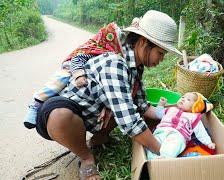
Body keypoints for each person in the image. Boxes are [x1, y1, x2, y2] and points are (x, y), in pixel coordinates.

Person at [34, 10, 181, 180]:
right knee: (60, 116)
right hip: (63, 111)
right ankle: (86, 157)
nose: (161, 59)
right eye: (160, 53)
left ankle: (100, 138)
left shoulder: (136, 66)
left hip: (92, 112)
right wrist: (164, 152)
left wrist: (174, 112)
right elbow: (130, 121)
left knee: (125, 104)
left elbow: (142, 106)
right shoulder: (115, 63)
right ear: (143, 42)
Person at [24, 22, 126, 129]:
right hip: (71, 67)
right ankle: (36, 103)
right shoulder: (93, 48)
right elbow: (77, 59)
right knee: (61, 80)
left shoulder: (110, 57)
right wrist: (79, 75)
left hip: (88, 75)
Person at [147, 92, 215, 160]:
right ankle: (151, 159)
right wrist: (161, 105)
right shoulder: (171, 109)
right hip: (161, 131)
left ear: (195, 107)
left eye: (188, 99)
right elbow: (159, 115)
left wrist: (208, 142)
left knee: (173, 145)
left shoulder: (193, 117)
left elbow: (201, 132)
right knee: (152, 143)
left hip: (178, 135)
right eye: (183, 97)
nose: (183, 99)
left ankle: (165, 158)